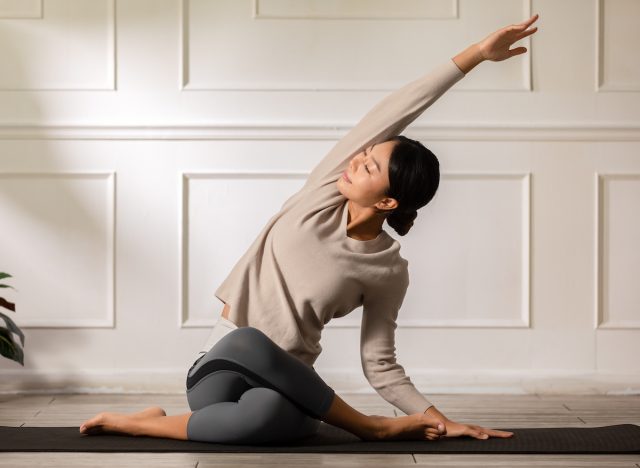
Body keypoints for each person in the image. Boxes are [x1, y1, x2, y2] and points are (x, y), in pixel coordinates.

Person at [79, 14, 539, 444]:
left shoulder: (388, 270)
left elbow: (380, 364)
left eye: (371, 166)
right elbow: (398, 108)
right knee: (251, 341)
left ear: (386, 201)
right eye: (364, 153)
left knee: (272, 417)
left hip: (291, 384)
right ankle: (373, 428)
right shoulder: (322, 193)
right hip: (223, 365)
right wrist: (476, 54)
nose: (357, 159)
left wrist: (438, 420)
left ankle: (151, 424)